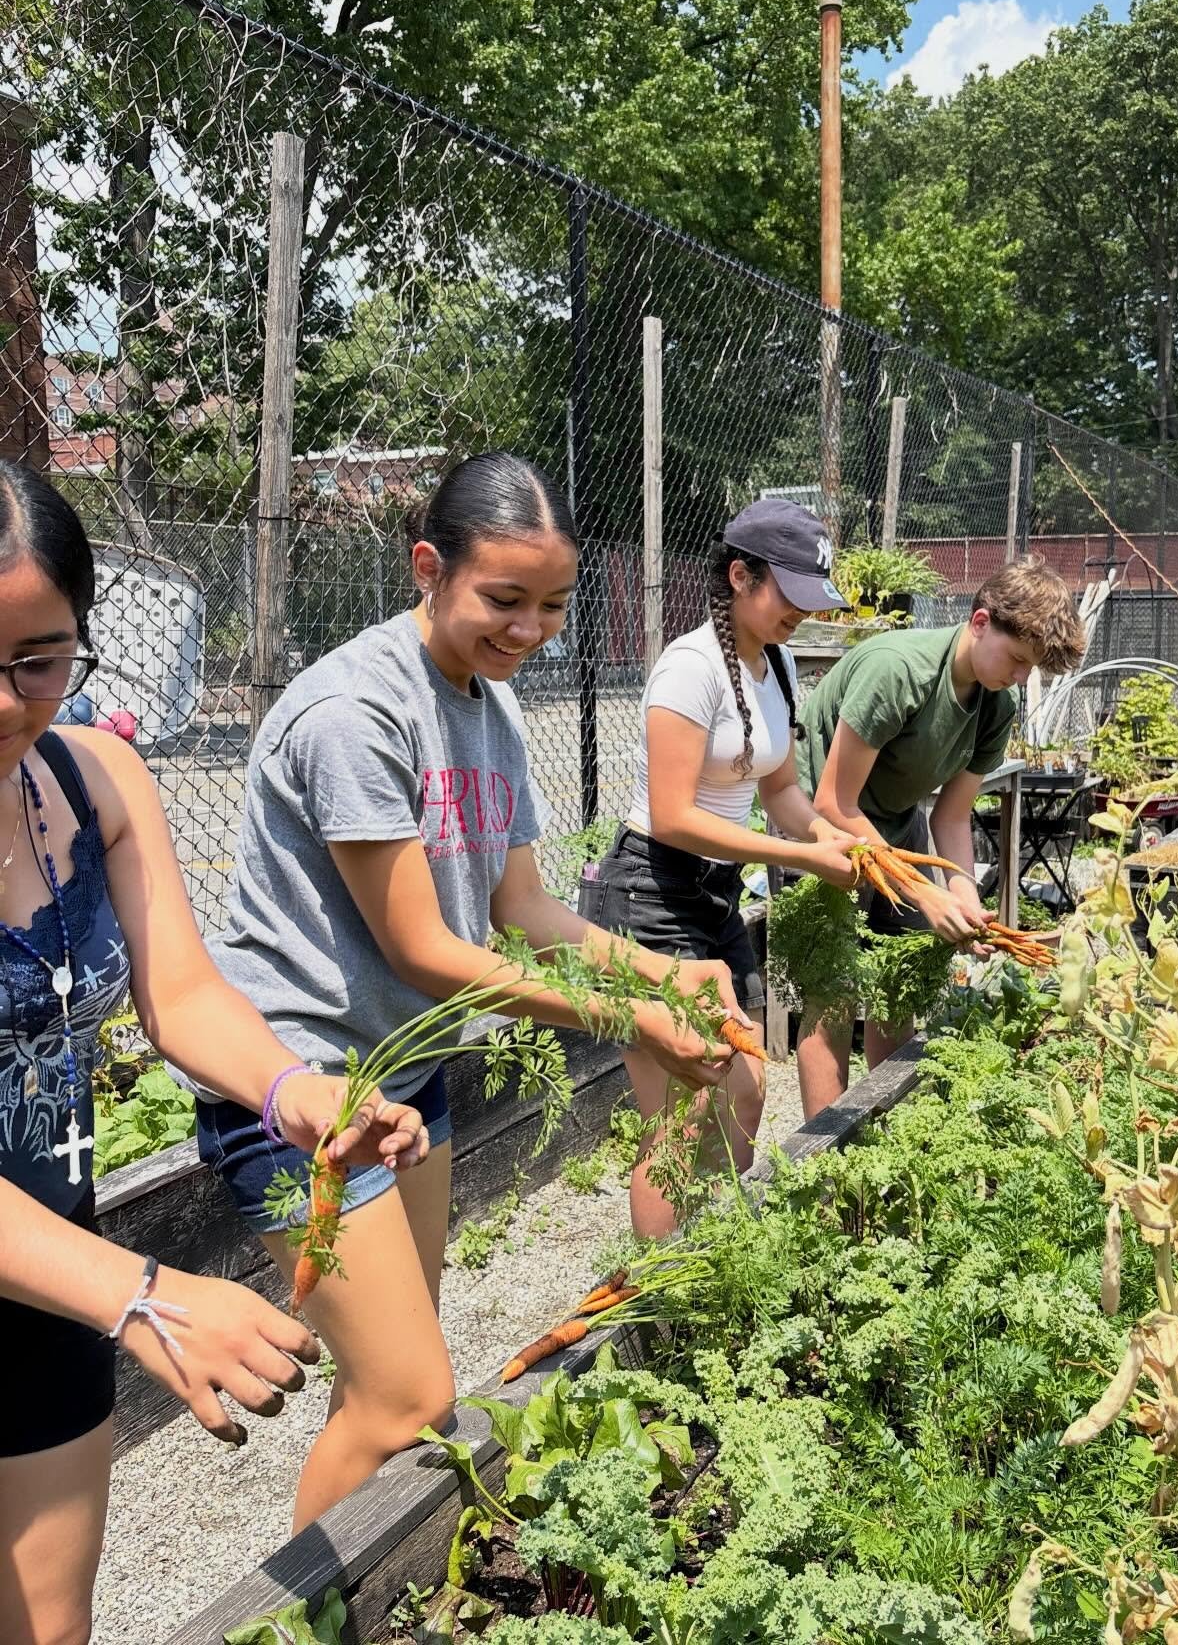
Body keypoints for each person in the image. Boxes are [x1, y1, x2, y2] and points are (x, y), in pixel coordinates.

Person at [198, 452, 752, 1532]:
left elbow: (524, 914)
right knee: (406, 1397)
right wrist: (626, 1018)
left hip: (408, 1079)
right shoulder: (356, 712)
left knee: (393, 1389)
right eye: (504, 599)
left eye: (552, 605)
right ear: (428, 567)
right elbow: (420, 949)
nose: (530, 628)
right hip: (297, 1090)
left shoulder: (487, 711)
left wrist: (660, 971)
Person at [0, 464, 426, 1645]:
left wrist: (293, 1087)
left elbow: (180, 992)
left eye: (39, 660)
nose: (5, 703)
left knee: (48, 1627)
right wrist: (141, 1293)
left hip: (43, 1290)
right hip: (91, 1283)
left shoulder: (95, 781)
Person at [581, 499, 861, 1235]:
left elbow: (781, 792)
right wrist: (798, 854)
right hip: (651, 891)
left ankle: (712, 1250)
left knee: (748, 1086)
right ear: (740, 576)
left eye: (812, 597)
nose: (802, 613)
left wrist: (835, 838)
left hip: (719, 899)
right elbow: (675, 815)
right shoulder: (689, 666)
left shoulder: (781, 666)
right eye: (790, 595)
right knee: (682, 1113)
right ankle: (663, 1299)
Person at [794, 555, 1086, 1117]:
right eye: (1018, 660)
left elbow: (950, 818)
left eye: (1032, 670)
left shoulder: (996, 705)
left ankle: (884, 1135)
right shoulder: (898, 672)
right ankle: (827, 1175)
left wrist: (966, 904)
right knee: (832, 996)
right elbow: (834, 801)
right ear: (980, 622)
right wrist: (926, 892)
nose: (1022, 678)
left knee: (901, 977)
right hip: (819, 825)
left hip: (894, 824)